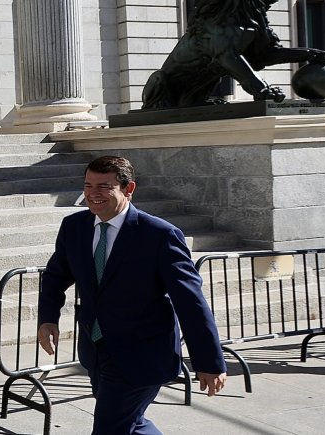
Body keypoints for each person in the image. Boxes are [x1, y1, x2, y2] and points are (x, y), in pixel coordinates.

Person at [37, 156, 227, 434]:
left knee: (110, 428)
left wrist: (209, 362)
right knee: (132, 424)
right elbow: (55, 276)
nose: (93, 194)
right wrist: (48, 318)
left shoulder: (160, 235)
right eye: (88, 185)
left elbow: (190, 301)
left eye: (104, 186)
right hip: (96, 350)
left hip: (141, 356)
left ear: (129, 189)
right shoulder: (74, 227)